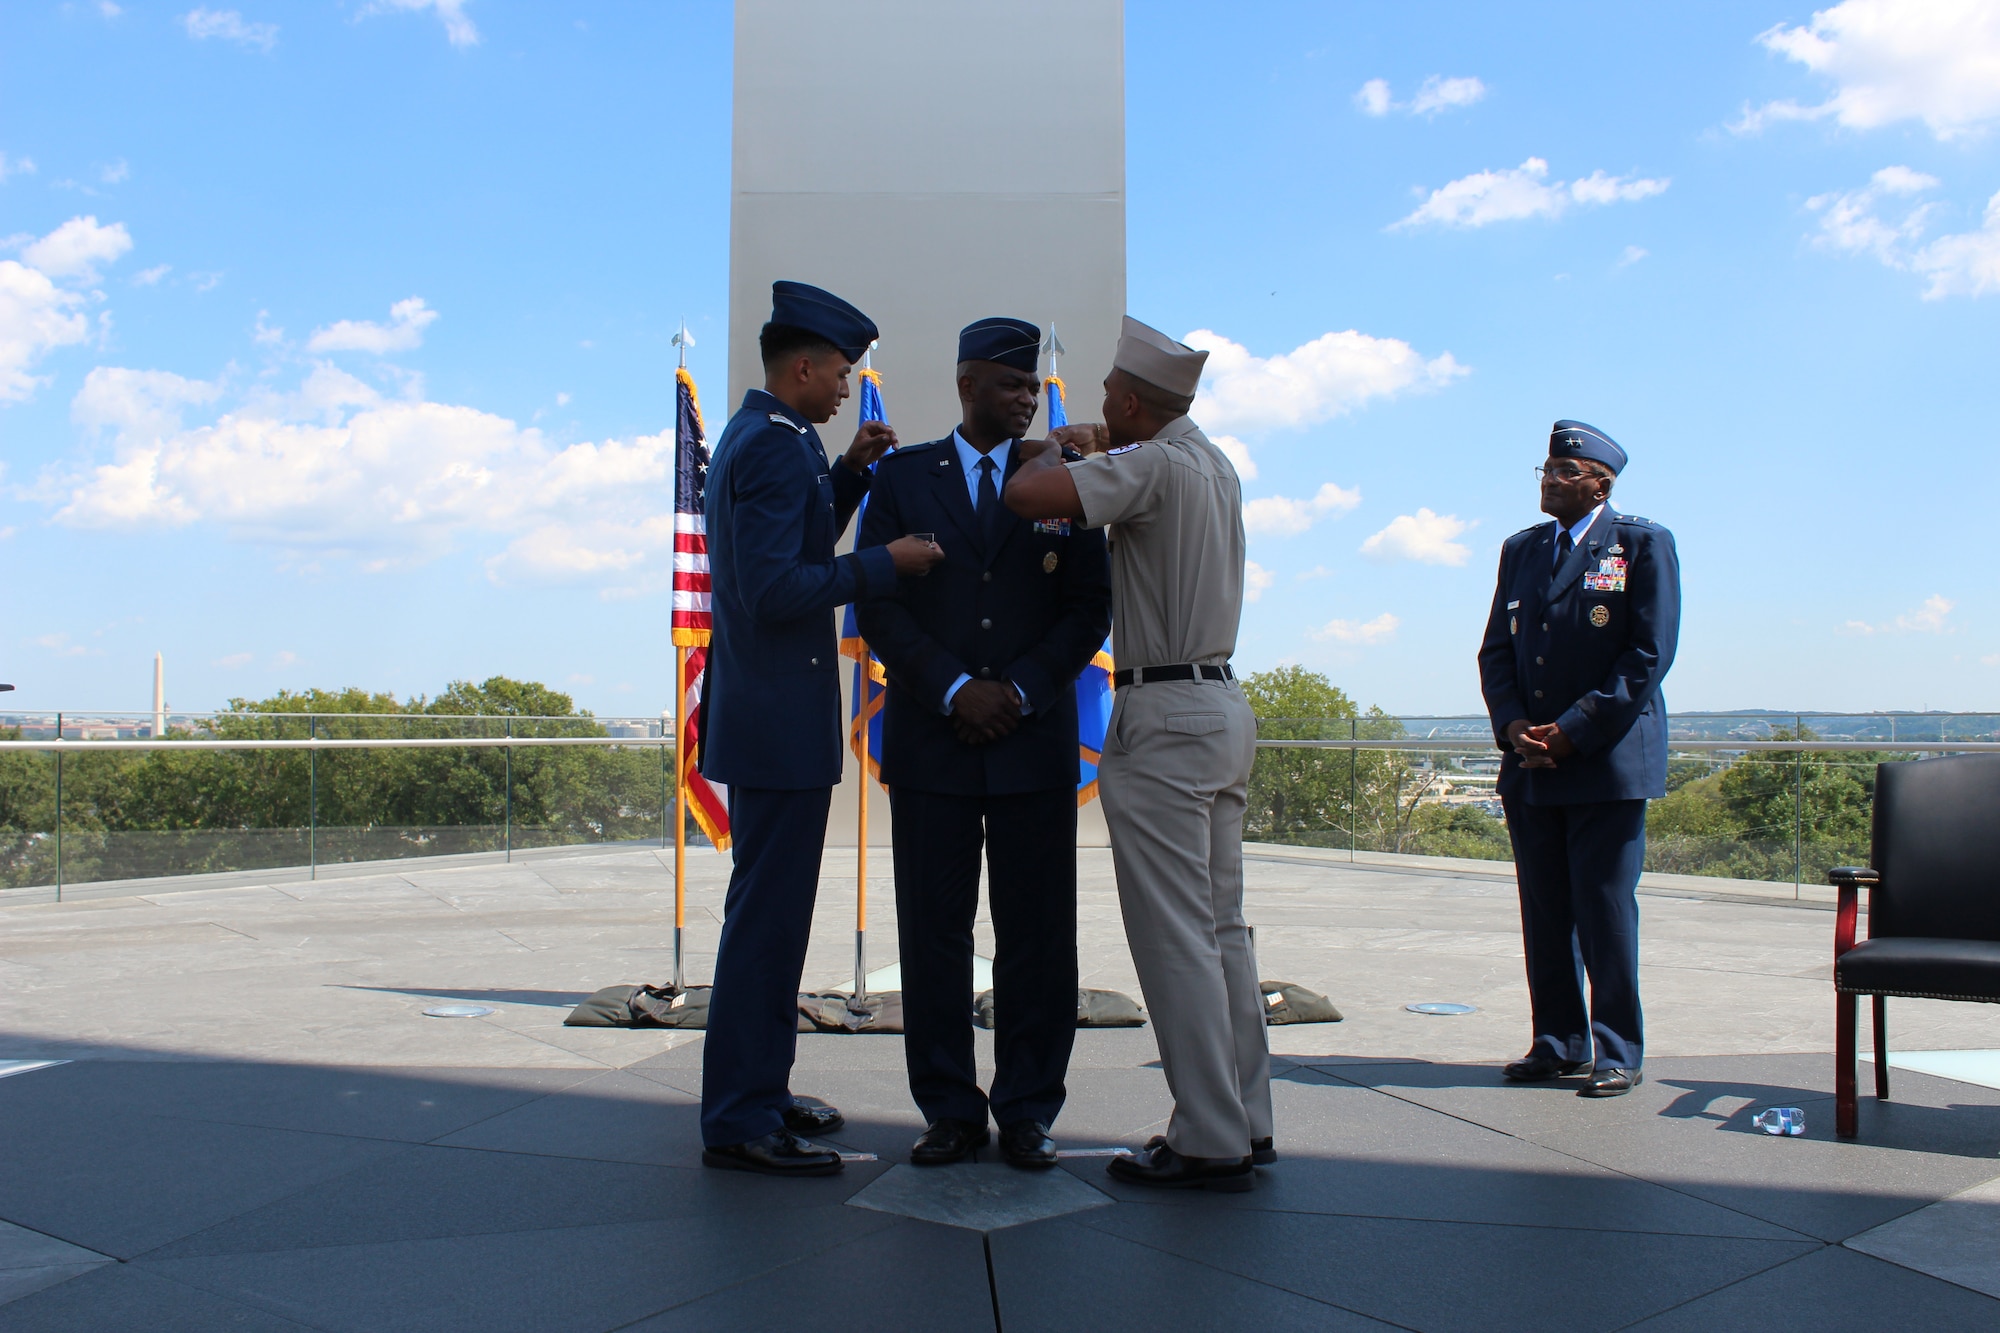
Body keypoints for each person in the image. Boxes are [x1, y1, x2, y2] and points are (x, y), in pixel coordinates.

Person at [1004, 317, 1270, 1193]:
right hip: (1222, 702)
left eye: (1111, 399)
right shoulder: (1211, 462)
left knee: (1175, 938)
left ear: (1128, 401)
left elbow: (1027, 498)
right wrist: (1094, 446)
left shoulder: (1151, 464)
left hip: (1164, 713)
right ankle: (1245, 1116)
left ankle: (1206, 1135)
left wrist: (1057, 450)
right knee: (1223, 928)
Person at [697, 280, 944, 1176]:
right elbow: (773, 591)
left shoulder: (782, 439)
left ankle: (761, 1088)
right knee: (764, 924)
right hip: (774, 724)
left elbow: (796, 546)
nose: (847, 389)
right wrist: (884, 564)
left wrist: (845, 475)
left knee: (774, 920)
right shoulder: (768, 448)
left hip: (774, 719)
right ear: (801, 366)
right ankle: (737, 1116)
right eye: (840, 373)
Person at [855, 317, 1113, 1170]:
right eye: (1012, 385)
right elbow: (880, 602)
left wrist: (1026, 688)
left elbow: (1088, 606)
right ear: (968, 385)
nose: (1028, 398)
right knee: (935, 933)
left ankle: (1030, 1108)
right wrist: (958, 688)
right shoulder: (901, 478)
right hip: (936, 741)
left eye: (1032, 386)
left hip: (1033, 743)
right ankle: (951, 1110)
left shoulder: (1063, 483)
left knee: (1037, 934)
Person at [1476, 420, 1681, 1099]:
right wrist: (1513, 728)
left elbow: (1646, 657)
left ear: (1601, 482)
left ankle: (1617, 1048)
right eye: (1546, 469)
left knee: (1603, 910)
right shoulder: (1522, 551)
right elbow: (1497, 653)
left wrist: (1572, 729)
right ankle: (1559, 1042)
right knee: (1545, 911)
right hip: (1531, 764)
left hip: (1604, 762)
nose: (1551, 479)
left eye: (1567, 471)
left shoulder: (1641, 544)